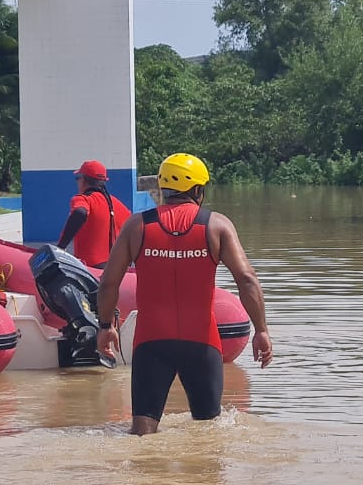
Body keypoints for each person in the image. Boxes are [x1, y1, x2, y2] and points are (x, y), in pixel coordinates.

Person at [97, 152, 274, 435]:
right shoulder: (217, 226)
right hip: (202, 344)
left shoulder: (136, 226)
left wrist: (106, 326)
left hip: (151, 342)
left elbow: (108, 283)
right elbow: (247, 279)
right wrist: (261, 330)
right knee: (209, 437)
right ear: (197, 190)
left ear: (164, 188)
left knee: (142, 434)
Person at [56, 159, 132, 268]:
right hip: (117, 270)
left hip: (91, 270)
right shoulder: (117, 204)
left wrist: (61, 247)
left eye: (78, 178)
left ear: (83, 180)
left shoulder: (83, 200)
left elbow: (80, 212)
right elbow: (133, 227)